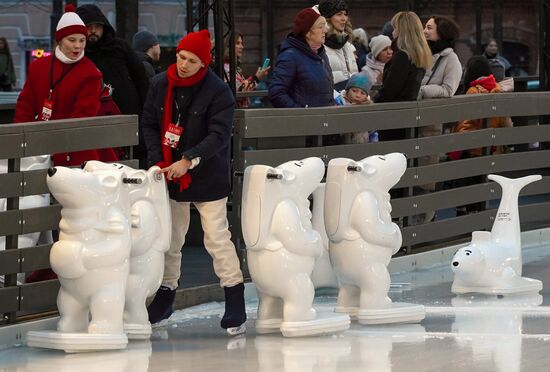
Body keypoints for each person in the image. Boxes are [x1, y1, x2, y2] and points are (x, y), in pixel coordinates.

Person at [141, 30, 247, 335]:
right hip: (169, 173)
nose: (184, 64)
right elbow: (149, 122)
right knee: (171, 239)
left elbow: (218, 134)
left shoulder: (217, 91)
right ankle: (165, 296)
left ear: (204, 63)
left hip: (206, 174)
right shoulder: (160, 84)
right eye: (181, 57)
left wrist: (188, 159)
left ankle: (234, 296)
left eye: (192, 60)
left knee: (216, 238)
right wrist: (157, 161)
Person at [14, 5, 118, 283]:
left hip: (72, 156)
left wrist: (47, 145)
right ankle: (26, 269)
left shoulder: (90, 73)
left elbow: (80, 120)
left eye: (82, 40)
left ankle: (46, 271)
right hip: (39, 150)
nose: (77, 46)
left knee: (57, 212)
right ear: (60, 39)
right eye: (72, 40)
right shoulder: (39, 67)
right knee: (25, 204)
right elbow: (25, 103)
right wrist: (23, 141)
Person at [76, 4, 150, 169]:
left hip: (130, 118)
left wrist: (146, 110)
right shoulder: (78, 55)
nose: (93, 31)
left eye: (97, 26)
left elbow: (141, 78)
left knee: (135, 166)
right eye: (88, 27)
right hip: (96, 121)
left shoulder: (120, 47)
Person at [412, 15, 462, 224]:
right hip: (412, 119)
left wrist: (422, 90)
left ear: (442, 32)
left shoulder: (451, 59)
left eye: (429, 27)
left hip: (430, 123)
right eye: (425, 26)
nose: (424, 30)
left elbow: (449, 89)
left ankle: (425, 221)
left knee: (426, 174)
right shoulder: (421, 53)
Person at [449, 56, 513, 216]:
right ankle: (478, 212)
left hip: (470, 145)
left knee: (466, 181)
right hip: (488, 145)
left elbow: (466, 120)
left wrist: (455, 139)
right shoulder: (497, 90)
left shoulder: (473, 91)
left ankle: (464, 211)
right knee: (481, 180)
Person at [373, 11, 432, 141]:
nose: (392, 31)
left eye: (395, 27)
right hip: (408, 116)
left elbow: (390, 89)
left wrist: (372, 103)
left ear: (401, 30)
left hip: (393, 117)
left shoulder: (402, 56)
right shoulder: (418, 55)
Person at [268, 8, 334, 108]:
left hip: (324, 120)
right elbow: (276, 93)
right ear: (308, 32)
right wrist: (300, 112)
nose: (325, 30)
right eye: (320, 27)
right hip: (303, 122)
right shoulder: (290, 56)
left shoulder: (321, 54)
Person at [317, 0, 358, 91]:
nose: (344, 18)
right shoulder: (319, 45)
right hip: (332, 102)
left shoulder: (347, 44)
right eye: (339, 14)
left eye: (345, 14)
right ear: (328, 18)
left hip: (352, 101)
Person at [224, 32, 270, 108]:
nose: (242, 47)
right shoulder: (226, 68)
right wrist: (257, 78)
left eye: (242, 43)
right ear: (228, 46)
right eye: (238, 43)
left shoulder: (233, 67)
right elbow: (239, 92)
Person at [335, 73, 379, 144]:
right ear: (348, 90)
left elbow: (373, 132)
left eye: (362, 93)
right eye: (354, 91)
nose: (358, 95)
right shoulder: (338, 103)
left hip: (364, 146)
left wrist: (373, 145)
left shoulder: (369, 108)